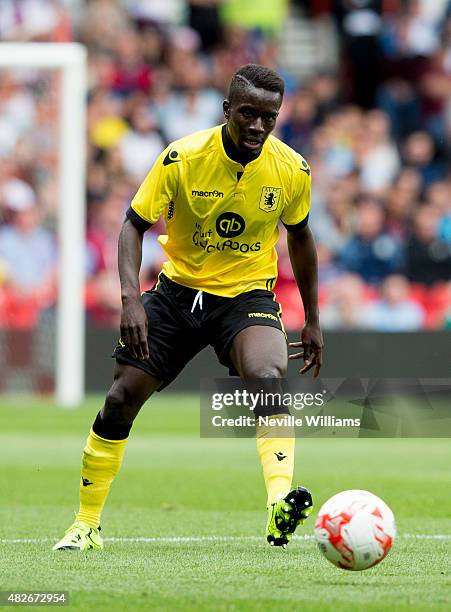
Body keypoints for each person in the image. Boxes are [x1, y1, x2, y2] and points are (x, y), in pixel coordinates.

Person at [53, 64, 323, 552]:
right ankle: (86, 523)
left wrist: (314, 319)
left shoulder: (291, 169)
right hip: (176, 294)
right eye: (248, 114)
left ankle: (279, 501)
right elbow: (132, 224)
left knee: (267, 375)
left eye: (269, 116)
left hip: (245, 297)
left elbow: (301, 237)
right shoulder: (182, 157)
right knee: (119, 401)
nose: (258, 126)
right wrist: (132, 298)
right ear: (227, 110)